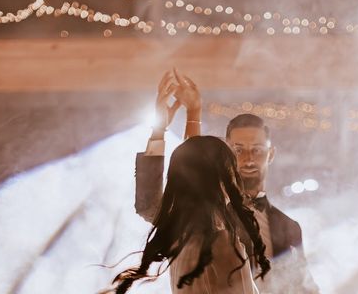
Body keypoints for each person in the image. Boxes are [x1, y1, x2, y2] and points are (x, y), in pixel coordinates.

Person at [136, 69, 319, 294]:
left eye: (257, 150)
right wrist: (177, 122)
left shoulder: (289, 227)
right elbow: (193, 174)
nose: (248, 158)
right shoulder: (204, 220)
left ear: (271, 154)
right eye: (238, 150)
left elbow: (303, 287)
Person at [105, 70, 270, 294]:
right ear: (223, 179)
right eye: (232, 167)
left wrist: (169, 125)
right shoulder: (222, 245)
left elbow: (191, 169)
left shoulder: (182, 236)